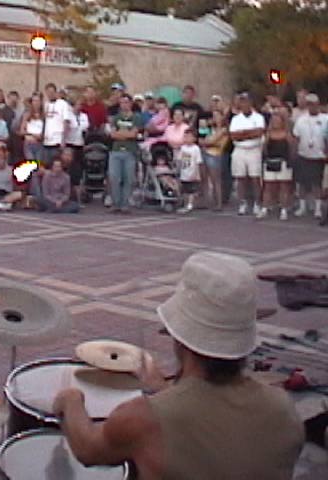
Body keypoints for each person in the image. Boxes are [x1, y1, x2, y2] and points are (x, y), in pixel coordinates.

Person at [52, 252, 304, 480]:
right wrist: (164, 391)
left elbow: (88, 449)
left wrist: (71, 400)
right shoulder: (284, 409)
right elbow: (215, 434)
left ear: (179, 338)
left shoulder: (142, 418)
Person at [229, 93, 266, 216]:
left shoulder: (259, 117)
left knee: (255, 178)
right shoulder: (236, 119)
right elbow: (234, 136)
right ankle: (242, 204)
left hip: (254, 150)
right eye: (242, 102)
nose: (244, 104)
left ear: (251, 103)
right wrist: (250, 134)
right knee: (240, 178)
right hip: (239, 150)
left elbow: (259, 132)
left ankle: (257, 204)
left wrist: (243, 134)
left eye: (246, 101)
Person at [292, 93, 328, 219]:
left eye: (314, 104)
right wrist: (294, 153)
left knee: (316, 183)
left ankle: (317, 208)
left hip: (319, 157)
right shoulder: (301, 119)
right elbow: (296, 137)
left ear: (318, 104)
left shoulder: (325, 119)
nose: (312, 106)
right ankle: (302, 207)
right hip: (303, 155)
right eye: (309, 104)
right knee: (302, 183)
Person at [108, 94, 143, 214]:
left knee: (128, 178)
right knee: (114, 177)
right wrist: (126, 134)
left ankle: (125, 204)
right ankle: (116, 203)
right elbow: (113, 134)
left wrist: (121, 134)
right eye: (122, 102)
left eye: (126, 102)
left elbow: (133, 134)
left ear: (131, 104)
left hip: (130, 151)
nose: (124, 105)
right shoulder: (116, 117)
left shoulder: (136, 118)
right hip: (116, 150)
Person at [258, 112, 295, 221]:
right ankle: (264, 208)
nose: (275, 122)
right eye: (273, 120)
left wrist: (290, 161)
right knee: (268, 186)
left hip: (283, 162)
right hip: (270, 162)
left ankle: (283, 209)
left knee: (284, 186)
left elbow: (292, 148)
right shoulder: (268, 134)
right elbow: (264, 149)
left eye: (278, 120)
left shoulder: (287, 134)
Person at [201, 110, 229, 211]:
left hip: (215, 154)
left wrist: (208, 142)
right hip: (205, 153)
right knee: (204, 178)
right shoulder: (209, 128)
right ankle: (206, 202)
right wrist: (207, 142)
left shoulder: (224, 129)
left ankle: (219, 203)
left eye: (217, 115)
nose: (215, 118)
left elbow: (215, 141)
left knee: (216, 180)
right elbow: (201, 139)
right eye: (213, 116)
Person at [43, 83, 73, 167]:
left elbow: (66, 122)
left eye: (52, 92)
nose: (50, 94)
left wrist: (63, 139)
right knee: (46, 165)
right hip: (46, 141)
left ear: (56, 92)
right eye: (48, 92)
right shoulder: (46, 104)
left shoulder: (63, 104)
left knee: (56, 165)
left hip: (57, 141)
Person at [176, 129, 204, 214]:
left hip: (192, 173)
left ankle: (190, 204)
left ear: (194, 138)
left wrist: (197, 174)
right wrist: (178, 169)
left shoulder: (196, 149)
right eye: (186, 137)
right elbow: (179, 159)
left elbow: (198, 162)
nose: (187, 139)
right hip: (184, 173)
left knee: (191, 190)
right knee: (184, 190)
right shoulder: (183, 148)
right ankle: (185, 204)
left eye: (189, 137)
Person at [19, 92, 45, 162]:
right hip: (28, 143)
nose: (36, 103)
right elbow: (22, 131)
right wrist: (32, 134)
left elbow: (44, 132)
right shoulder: (27, 114)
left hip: (39, 144)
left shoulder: (43, 116)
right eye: (34, 101)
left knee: (38, 164)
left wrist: (40, 136)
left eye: (37, 101)